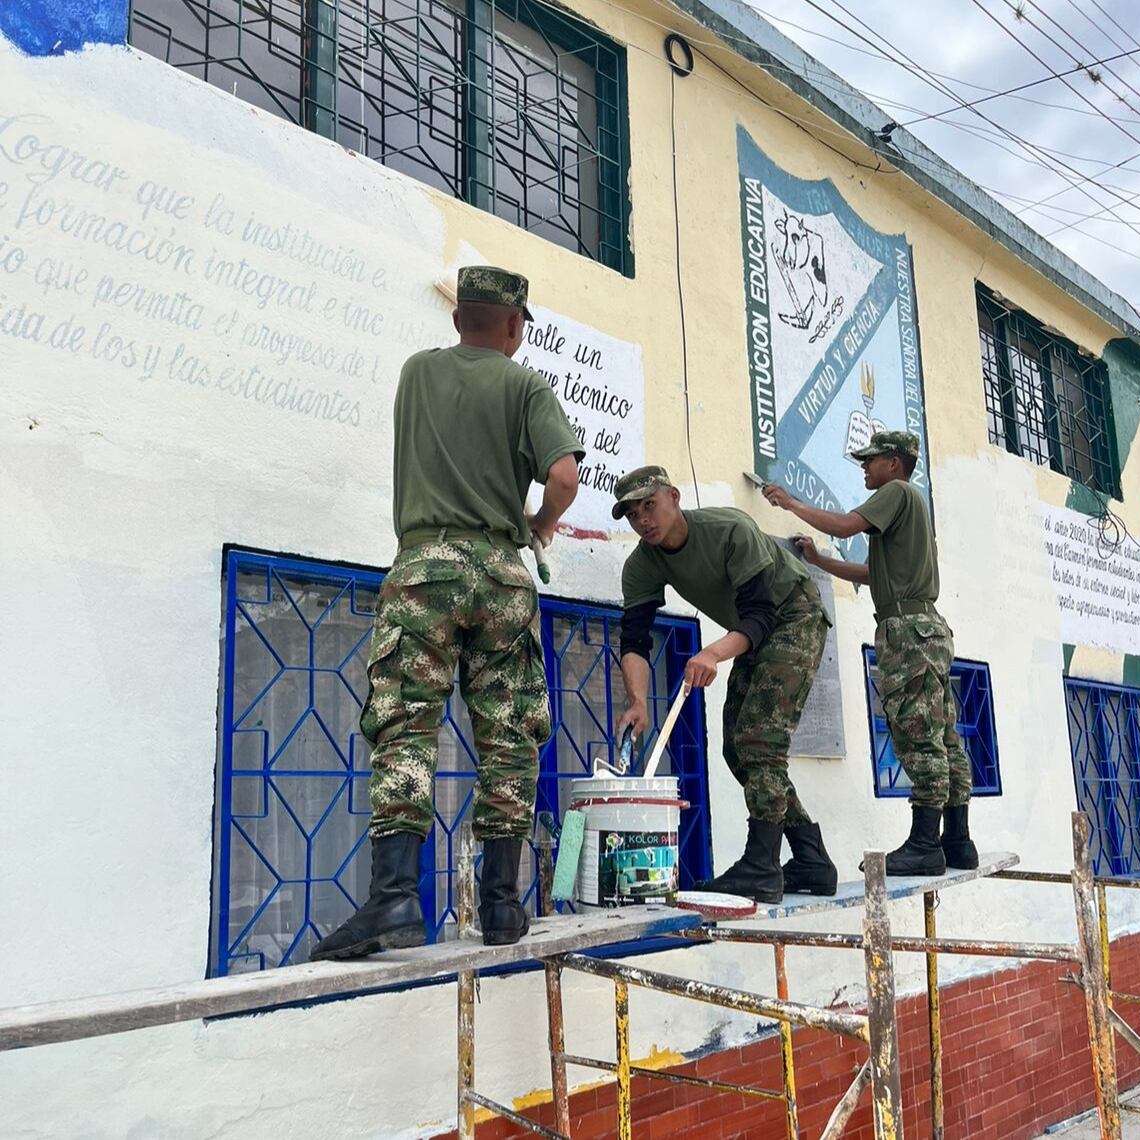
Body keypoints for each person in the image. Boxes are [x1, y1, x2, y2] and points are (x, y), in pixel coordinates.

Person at [311, 266, 583, 960]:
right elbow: (564, 477)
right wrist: (537, 526)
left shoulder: (417, 373)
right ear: (516, 325)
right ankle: (500, 906)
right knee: (508, 737)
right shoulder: (526, 386)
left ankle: (395, 900)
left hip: (423, 566)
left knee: (405, 727)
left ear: (459, 316)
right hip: (498, 572)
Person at [612, 466, 838, 904]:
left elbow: (760, 615)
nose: (643, 520)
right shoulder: (641, 565)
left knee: (758, 741)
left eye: (649, 505)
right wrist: (638, 699)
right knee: (738, 749)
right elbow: (635, 637)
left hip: (794, 615)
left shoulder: (729, 529)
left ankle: (762, 865)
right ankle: (810, 857)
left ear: (674, 497)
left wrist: (712, 653)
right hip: (751, 628)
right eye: (632, 514)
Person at [761, 431, 978, 876]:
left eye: (871, 460)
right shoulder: (910, 510)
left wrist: (790, 503)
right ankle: (957, 840)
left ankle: (924, 845)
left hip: (906, 632)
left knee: (917, 734)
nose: (864, 467)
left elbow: (844, 525)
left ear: (895, 463)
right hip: (928, 628)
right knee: (944, 736)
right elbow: (871, 571)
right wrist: (820, 561)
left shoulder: (896, 492)